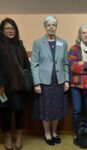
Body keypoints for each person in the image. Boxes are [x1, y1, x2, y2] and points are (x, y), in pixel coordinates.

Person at [30, 16, 69, 146]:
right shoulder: (38, 43)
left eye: (53, 25)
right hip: (44, 83)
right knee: (46, 109)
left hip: (59, 82)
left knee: (57, 108)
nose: (51, 27)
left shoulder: (63, 43)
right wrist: (36, 83)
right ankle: (47, 133)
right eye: (48, 25)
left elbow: (65, 64)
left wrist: (67, 81)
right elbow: (34, 64)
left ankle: (54, 132)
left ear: (56, 26)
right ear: (45, 27)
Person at [0, 18, 31, 150]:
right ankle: (7, 137)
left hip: (20, 86)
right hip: (3, 87)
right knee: (5, 113)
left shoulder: (20, 44)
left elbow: (26, 64)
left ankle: (18, 137)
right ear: (2, 30)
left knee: (20, 112)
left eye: (12, 28)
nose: (10, 30)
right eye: (7, 28)